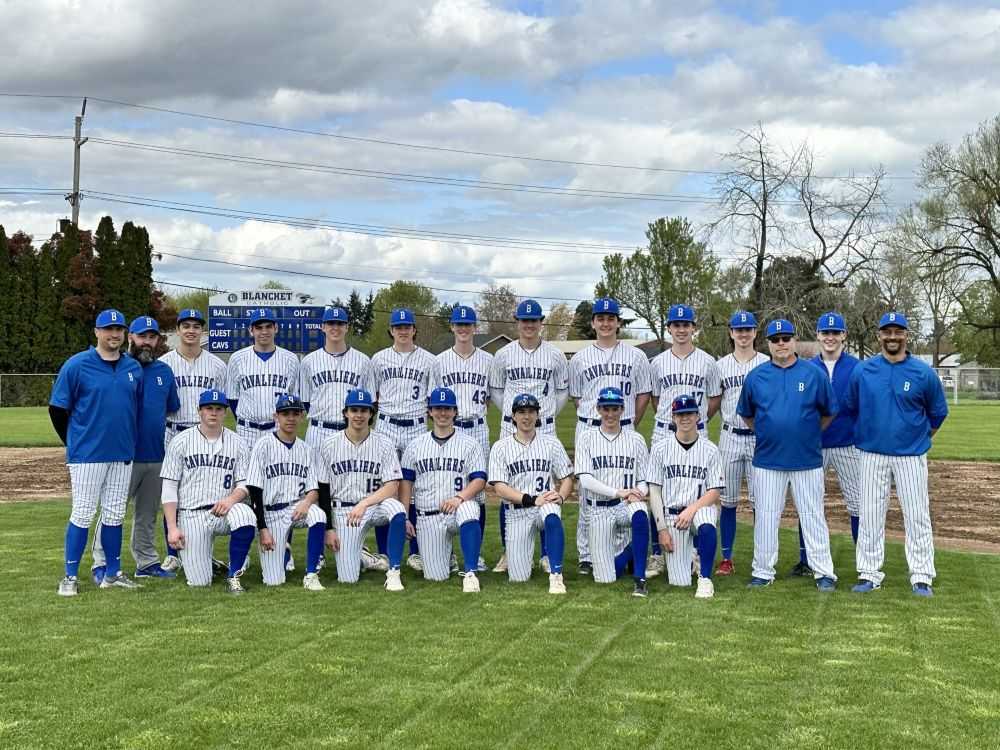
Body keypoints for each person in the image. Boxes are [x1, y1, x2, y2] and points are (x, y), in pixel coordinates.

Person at [844, 312, 948, 597]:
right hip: (872, 453)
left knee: (916, 515)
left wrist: (919, 438)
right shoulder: (863, 371)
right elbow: (851, 408)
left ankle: (922, 576)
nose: (892, 337)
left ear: (906, 334)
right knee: (870, 515)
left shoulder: (922, 372)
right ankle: (869, 573)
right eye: (887, 332)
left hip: (910, 455)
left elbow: (938, 414)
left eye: (897, 332)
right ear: (879, 335)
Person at [737, 319, 838, 591]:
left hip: (806, 458)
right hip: (768, 459)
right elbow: (747, 415)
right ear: (767, 344)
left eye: (786, 338)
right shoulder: (756, 376)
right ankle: (763, 570)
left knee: (813, 515)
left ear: (794, 340)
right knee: (767, 516)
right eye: (775, 339)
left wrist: (807, 433)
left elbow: (829, 412)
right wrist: (771, 432)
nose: (781, 343)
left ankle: (823, 572)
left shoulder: (813, 374)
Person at [51, 309, 144, 596]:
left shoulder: (133, 368)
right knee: (83, 513)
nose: (114, 334)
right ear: (96, 332)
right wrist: (74, 442)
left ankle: (112, 573)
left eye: (119, 329)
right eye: (108, 329)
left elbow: (134, 410)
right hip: (88, 454)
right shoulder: (77, 365)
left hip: (122, 452)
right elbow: (57, 409)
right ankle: (69, 576)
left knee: (115, 514)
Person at [92, 316, 180, 582]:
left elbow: (170, 408)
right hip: (124, 455)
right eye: (142, 336)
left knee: (147, 514)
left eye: (152, 337)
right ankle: (101, 563)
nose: (147, 342)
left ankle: (146, 561)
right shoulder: (122, 367)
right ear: (131, 337)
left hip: (156, 455)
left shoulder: (164, 371)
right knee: (112, 511)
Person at [568, 297, 651, 577]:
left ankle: (626, 548)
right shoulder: (579, 358)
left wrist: (629, 422)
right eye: (600, 318)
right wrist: (597, 421)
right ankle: (586, 554)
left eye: (610, 318)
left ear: (618, 322)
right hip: (590, 425)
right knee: (587, 494)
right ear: (593, 322)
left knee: (626, 488)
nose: (605, 323)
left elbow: (642, 394)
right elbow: (578, 397)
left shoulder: (636, 356)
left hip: (624, 424)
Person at [489, 299, 568, 573]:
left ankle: (547, 554)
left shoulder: (555, 355)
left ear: (541, 322)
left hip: (544, 425)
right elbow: (497, 391)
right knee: (507, 488)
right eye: (524, 320)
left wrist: (541, 415)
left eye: (534, 320)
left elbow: (561, 392)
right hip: (512, 426)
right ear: (517, 322)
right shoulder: (504, 354)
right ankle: (508, 551)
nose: (529, 324)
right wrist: (517, 417)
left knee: (546, 486)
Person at [647, 303, 721, 577]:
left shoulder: (707, 361)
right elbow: (656, 399)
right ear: (669, 328)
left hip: (697, 431)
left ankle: (700, 554)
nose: (681, 329)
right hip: (665, 430)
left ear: (694, 328)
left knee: (699, 492)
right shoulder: (657, 362)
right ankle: (657, 552)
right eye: (676, 325)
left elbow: (714, 399)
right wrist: (676, 422)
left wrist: (695, 422)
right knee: (659, 491)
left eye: (685, 325)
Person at [160, 390, 256, 594]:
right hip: (191, 513)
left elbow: (245, 484)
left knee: (246, 515)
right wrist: (172, 528)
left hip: (225, 511)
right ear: (199, 411)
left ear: (225, 413)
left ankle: (234, 576)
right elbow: (168, 489)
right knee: (200, 582)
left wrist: (231, 500)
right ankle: (207, 561)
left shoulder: (238, 442)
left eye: (219, 409)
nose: (213, 413)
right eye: (209, 408)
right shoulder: (180, 441)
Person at [314, 389, 408, 591]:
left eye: (364, 410)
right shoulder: (328, 445)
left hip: (375, 505)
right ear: (346, 412)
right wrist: (329, 529)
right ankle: (363, 557)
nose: (359, 415)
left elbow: (392, 485)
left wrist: (364, 503)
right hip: (344, 512)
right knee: (347, 579)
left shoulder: (384, 443)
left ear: (371, 413)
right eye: (354, 410)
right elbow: (323, 490)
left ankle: (394, 572)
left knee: (398, 511)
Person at [159, 307, 227, 573]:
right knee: (173, 491)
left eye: (196, 326)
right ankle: (173, 552)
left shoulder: (217, 365)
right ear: (178, 330)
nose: (191, 330)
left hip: (205, 435)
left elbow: (223, 403)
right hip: (174, 431)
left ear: (202, 331)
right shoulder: (164, 363)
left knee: (204, 492)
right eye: (185, 325)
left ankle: (202, 550)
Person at [399, 387, 487, 592]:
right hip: (428, 516)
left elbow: (479, 480)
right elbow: (406, 484)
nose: (443, 413)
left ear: (455, 411)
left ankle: (471, 572)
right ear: (429, 411)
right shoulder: (415, 445)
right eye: (438, 408)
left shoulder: (470, 444)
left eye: (447, 408)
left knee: (471, 509)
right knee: (435, 577)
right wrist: (404, 516)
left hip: (458, 509)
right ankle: (447, 557)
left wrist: (460, 498)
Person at [796, 311, 862, 576]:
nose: (831, 337)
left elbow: (863, 406)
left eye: (836, 332)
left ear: (844, 335)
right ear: (818, 335)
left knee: (858, 504)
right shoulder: (807, 367)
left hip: (848, 444)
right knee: (808, 503)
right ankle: (805, 560)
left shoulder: (857, 367)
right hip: (816, 445)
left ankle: (863, 560)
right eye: (826, 332)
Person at [488, 393, 574, 594]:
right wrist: (530, 499)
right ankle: (523, 560)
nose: (526, 417)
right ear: (513, 416)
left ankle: (556, 575)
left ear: (537, 415)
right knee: (518, 578)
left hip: (544, 504)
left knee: (552, 515)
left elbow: (568, 477)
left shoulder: (551, 443)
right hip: (516, 511)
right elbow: (499, 487)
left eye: (531, 412)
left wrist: (560, 496)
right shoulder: (501, 447)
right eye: (521, 412)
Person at [371, 307, 435, 571]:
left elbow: (433, 399)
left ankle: (417, 551)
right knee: (387, 486)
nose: (403, 331)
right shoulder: (378, 359)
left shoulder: (430, 360)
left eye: (407, 327)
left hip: (416, 425)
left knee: (417, 488)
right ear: (391, 331)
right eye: (398, 327)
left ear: (414, 330)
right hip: (386, 423)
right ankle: (385, 552)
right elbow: (371, 397)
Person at [430, 305, 492, 572]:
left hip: (477, 426)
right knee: (445, 486)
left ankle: (474, 555)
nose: (464, 329)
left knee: (477, 493)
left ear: (475, 328)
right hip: (449, 426)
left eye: (468, 325)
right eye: (459, 324)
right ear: (452, 327)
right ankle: (448, 552)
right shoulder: (440, 361)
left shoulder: (489, 360)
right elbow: (433, 399)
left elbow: (492, 395)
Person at [573, 387, 650, 597]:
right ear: (598, 409)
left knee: (641, 510)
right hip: (598, 510)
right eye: (605, 408)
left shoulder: (635, 439)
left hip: (625, 505)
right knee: (606, 577)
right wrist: (618, 492)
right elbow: (586, 480)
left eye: (614, 408)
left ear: (622, 410)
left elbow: (645, 480)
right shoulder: (587, 438)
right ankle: (631, 551)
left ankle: (640, 579)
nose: (610, 414)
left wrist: (638, 493)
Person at [245, 394, 327, 590]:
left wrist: (307, 502)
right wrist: (263, 529)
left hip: (296, 508)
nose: (290, 418)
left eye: (295, 413)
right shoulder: (262, 446)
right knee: (273, 581)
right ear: (276, 416)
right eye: (285, 413)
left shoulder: (306, 449)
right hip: (270, 513)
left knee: (318, 515)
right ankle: (282, 550)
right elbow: (254, 491)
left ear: (301, 417)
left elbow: (314, 489)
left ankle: (311, 574)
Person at [647, 394, 725, 598]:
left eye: (689, 413)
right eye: (680, 414)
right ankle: (690, 556)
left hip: (699, 509)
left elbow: (715, 491)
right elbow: (654, 492)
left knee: (707, 523)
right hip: (673, 517)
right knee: (679, 581)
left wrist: (692, 509)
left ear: (698, 417)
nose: (685, 418)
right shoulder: (660, 449)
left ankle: (705, 579)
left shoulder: (710, 449)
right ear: (673, 418)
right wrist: (662, 530)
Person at [714, 311, 769, 576]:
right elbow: (714, 401)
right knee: (728, 501)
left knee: (761, 502)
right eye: (739, 329)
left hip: (759, 437)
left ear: (756, 332)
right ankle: (726, 557)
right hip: (730, 435)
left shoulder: (767, 362)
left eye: (748, 329)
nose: (744, 334)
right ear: (731, 332)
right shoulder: (720, 365)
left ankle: (762, 556)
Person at [298, 306, 375, 450]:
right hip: (318, 431)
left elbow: (370, 402)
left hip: (351, 431)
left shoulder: (364, 361)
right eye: (331, 323)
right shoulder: (308, 361)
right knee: (316, 473)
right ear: (323, 327)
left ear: (347, 327)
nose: (335, 328)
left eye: (340, 324)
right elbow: (305, 401)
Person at [225, 308, 300, 447]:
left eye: (268, 327)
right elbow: (232, 397)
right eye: (259, 328)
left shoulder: (291, 359)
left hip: (277, 428)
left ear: (275, 328)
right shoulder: (237, 359)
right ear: (251, 330)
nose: (264, 332)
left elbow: (293, 399)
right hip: (246, 431)